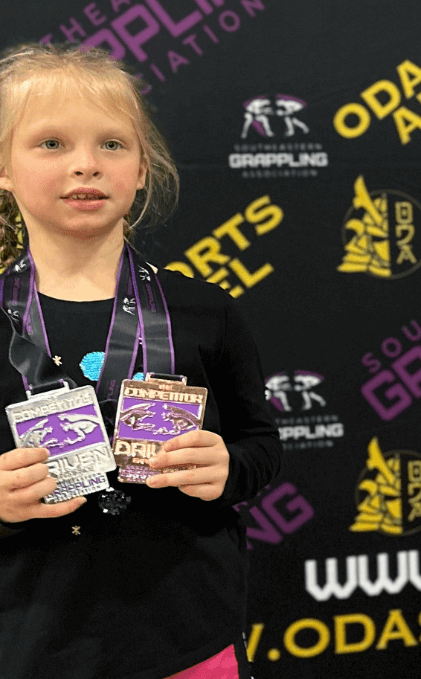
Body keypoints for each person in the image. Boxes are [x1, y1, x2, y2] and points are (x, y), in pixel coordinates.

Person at [0, 44, 281, 679]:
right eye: (51, 144)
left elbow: (260, 443)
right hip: (31, 644)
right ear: (4, 168)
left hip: (187, 641)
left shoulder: (206, 311)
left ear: (143, 167)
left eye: (112, 145)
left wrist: (227, 467)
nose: (86, 166)